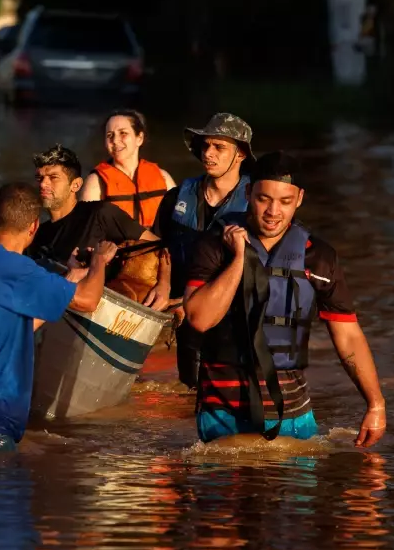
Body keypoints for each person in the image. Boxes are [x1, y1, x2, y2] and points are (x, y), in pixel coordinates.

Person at [183, 151, 386, 447]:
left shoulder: (319, 258)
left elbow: (348, 335)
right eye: (264, 199)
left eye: (285, 202)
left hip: (295, 415)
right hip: (222, 414)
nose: (273, 211)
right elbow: (199, 319)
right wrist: (239, 258)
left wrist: (375, 404)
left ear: (300, 198)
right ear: (249, 191)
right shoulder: (214, 245)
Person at [0, 182, 117, 455]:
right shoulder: (16, 268)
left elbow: (12, 327)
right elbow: (88, 301)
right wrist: (100, 263)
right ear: (34, 226)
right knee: (2, 492)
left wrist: (70, 277)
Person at [151, 112, 254, 389]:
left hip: (233, 319)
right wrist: (163, 284)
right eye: (206, 145)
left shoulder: (257, 204)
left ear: (241, 154)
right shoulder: (176, 197)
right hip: (185, 314)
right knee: (190, 396)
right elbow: (160, 247)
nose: (209, 153)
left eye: (219, 147)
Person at [25, 144, 171, 311]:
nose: (43, 184)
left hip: (104, 313)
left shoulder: (100, 214)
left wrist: (164, 285)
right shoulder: (37, 235)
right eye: (39, 178)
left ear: (76, 185)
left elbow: (160, 246)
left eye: (53, 177)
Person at [80, 110, 176, 228]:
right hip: (119, 246)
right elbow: (86, 231)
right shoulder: (95, 182)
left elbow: (181, 222)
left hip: (159, 245)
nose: (115, 141)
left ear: (139, 138)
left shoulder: (163, 177)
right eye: (110, 135)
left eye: (123, 133)